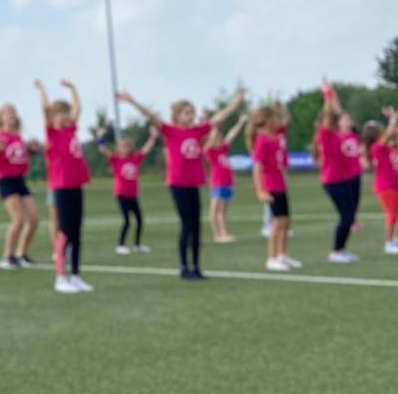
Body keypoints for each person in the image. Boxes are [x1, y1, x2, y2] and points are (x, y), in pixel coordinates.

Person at [118, 89, 245, 280]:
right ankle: (184, 267)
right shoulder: (171, 131)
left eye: (192, 112)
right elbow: (151, 116)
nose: (191, 116)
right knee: (186, 225)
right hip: (178, 184)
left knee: (196, 226)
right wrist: (132, 101)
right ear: (177, 116)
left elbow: (218, 118)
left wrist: (236, 102)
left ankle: (197, 267)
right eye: (187, 112)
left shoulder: (197, 131)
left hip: (194, 184)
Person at [36, 78, 92, 294]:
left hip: (77, 186)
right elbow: (44, 110)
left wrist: (74, 89)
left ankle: (76, 275)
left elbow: (78, 108)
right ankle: (60, 277)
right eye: (61, 113)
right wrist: (42, 89)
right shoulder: (53, 134)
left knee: (77, 232)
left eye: (67, 113)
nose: (66, 116)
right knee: (65, 233)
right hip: (62, 187)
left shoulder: (71, 131)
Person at [0, 103, 41, 269]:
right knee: (18, 219)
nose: (11, 115)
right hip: (6, 181)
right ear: (1, 117)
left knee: (34, 219)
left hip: (20, 180)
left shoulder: (18, 137)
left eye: (13, 112)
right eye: (8, 113)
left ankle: (21, 254)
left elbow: (20, 156)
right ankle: (7, 256)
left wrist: (32, 149)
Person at [313, 83, 365, 263]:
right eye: (344, 119)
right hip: (335, 181)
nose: (348, 120)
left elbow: (338, 111)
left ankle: (341, 249)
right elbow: (330, 115)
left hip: (352, 178)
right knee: (346, 216)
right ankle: (335, 251)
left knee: (351, 217)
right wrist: (328, 96)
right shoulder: (328, 137)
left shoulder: (353, 135)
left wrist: (333, 95)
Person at [249, 104, 298, 272]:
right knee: (277, 222)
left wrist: (283, 109)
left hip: (280, 182)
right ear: (268, 121)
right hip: (271, 184)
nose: (279, 121)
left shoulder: (277, 135)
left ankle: (282, 255)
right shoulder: (262, 140)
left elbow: (287, 121)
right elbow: (257, 167)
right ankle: (271, 258)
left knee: (286, 221)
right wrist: (260, 190)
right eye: (275, 118)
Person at [96, 123, 159, 254]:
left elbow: (146, 149)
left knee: (140, 220)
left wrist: (153, 136)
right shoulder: (116, 159)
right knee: (127, 221)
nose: (125, 148)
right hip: (121, 195)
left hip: (133, 195)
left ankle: (137, 244)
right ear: (118, 148)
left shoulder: (135, 158)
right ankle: (120, 245)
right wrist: (100, 137)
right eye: (123, 146)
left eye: (128, 146)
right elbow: (102, 149)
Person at [362, 108, 398, 254]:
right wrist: (393, 118)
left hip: (395, 185)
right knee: (393, 214)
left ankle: (397, 240)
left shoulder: (386, 147)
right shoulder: (377, 147)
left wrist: (394, 121)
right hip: (385, 186)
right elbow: (389, 133)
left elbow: (393, 134)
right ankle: (388, 244)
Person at [204, 113, 248, 244]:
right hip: (218, 183)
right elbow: (212, 138)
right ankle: (217, 234)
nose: (219, 139)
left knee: (223, 210)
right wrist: (212, 125)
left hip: (227, 183)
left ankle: (224, 233)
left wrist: (240, 123)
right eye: (216, 137)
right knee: (215, 209)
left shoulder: (223, 149)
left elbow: (231, 135)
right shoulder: (210, 151)